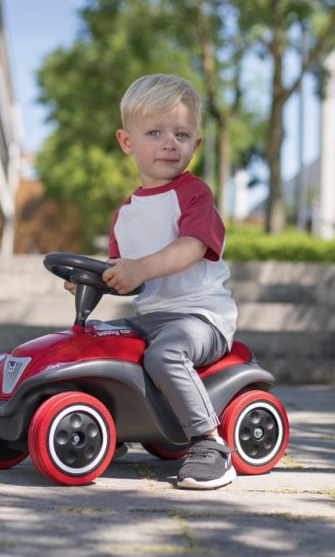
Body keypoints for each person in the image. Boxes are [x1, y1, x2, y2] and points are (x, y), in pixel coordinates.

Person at [93, 73, 239, 489]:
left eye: (181, 134)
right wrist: (97, 278)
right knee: (99, 341)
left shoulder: (195, 195)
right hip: (151, 317)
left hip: (200, 317)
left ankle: (209, 445)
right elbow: (121, 269)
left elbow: (191, 246)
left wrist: (140, 268)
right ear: (127, 141)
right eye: (155, 133)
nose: (169, 143)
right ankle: (107, 423)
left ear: (196, 144)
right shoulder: (126, 212)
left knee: (165, 355)